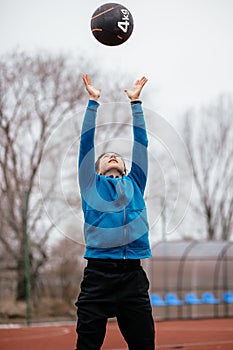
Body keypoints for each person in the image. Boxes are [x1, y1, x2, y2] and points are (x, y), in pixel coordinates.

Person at [75, 74, 155, 350]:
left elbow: (141, 145)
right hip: (98, 276)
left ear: (125, 167)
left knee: (143, 345)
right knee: (87, 345)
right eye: (107, 157)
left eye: (118, 157)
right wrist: (93, 102)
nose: (113, 156)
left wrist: (136, 103)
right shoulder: (90, 186)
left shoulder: (135, 183)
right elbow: (87, 145)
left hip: (133, 277)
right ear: (96, 170)